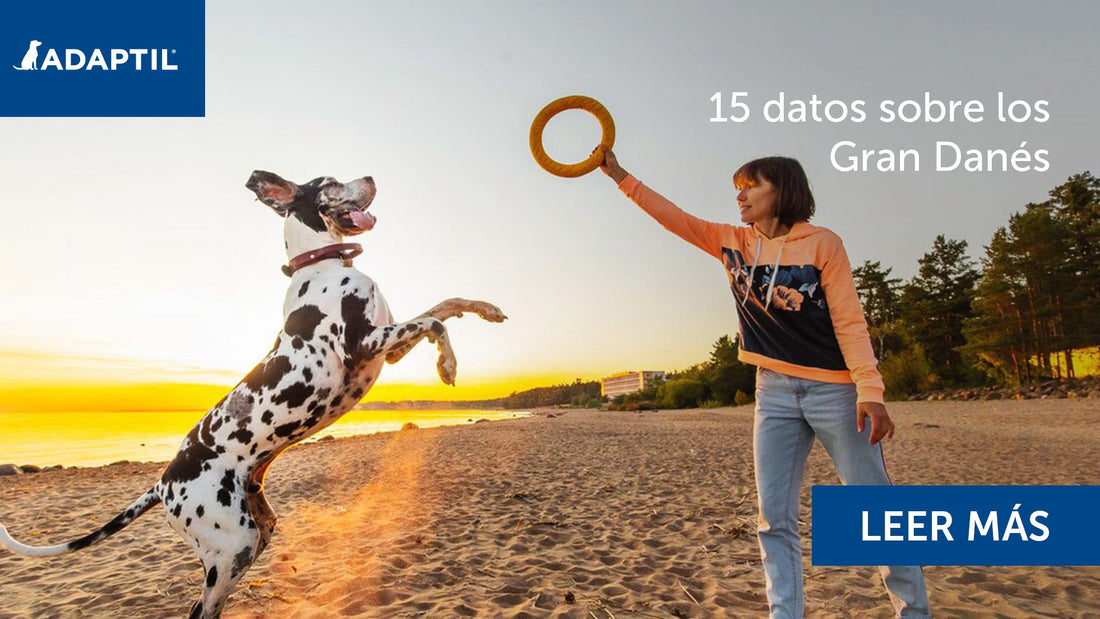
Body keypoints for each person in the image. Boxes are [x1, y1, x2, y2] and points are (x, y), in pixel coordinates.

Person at [597, 147, 931, 618]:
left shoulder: (823, 244)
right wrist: (618, 175)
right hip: (772, 392)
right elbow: (672, 217)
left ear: (783, 190)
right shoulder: (732, 242)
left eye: (751, 186)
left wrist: (871, 392)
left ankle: (914, 612)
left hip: (835, 391)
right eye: (738, 188)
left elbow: (850, 322)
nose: (740, 196)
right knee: (773, 519)